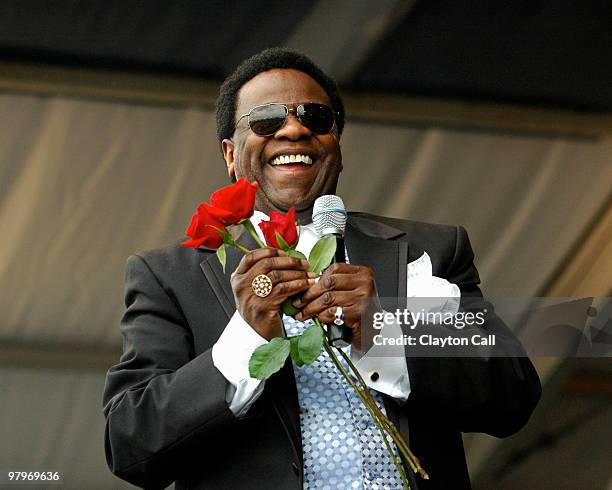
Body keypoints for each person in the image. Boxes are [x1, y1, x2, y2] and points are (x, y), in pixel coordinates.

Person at [103, 48, 541, 490]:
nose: (294, 128)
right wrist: (247, 340)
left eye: (315, 117)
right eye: (267, 120)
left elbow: (513, 394)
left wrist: (384, 333)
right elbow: (131, 445)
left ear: (337, 146)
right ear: (230, 154)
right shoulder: (168, 277)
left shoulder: (429, 249)